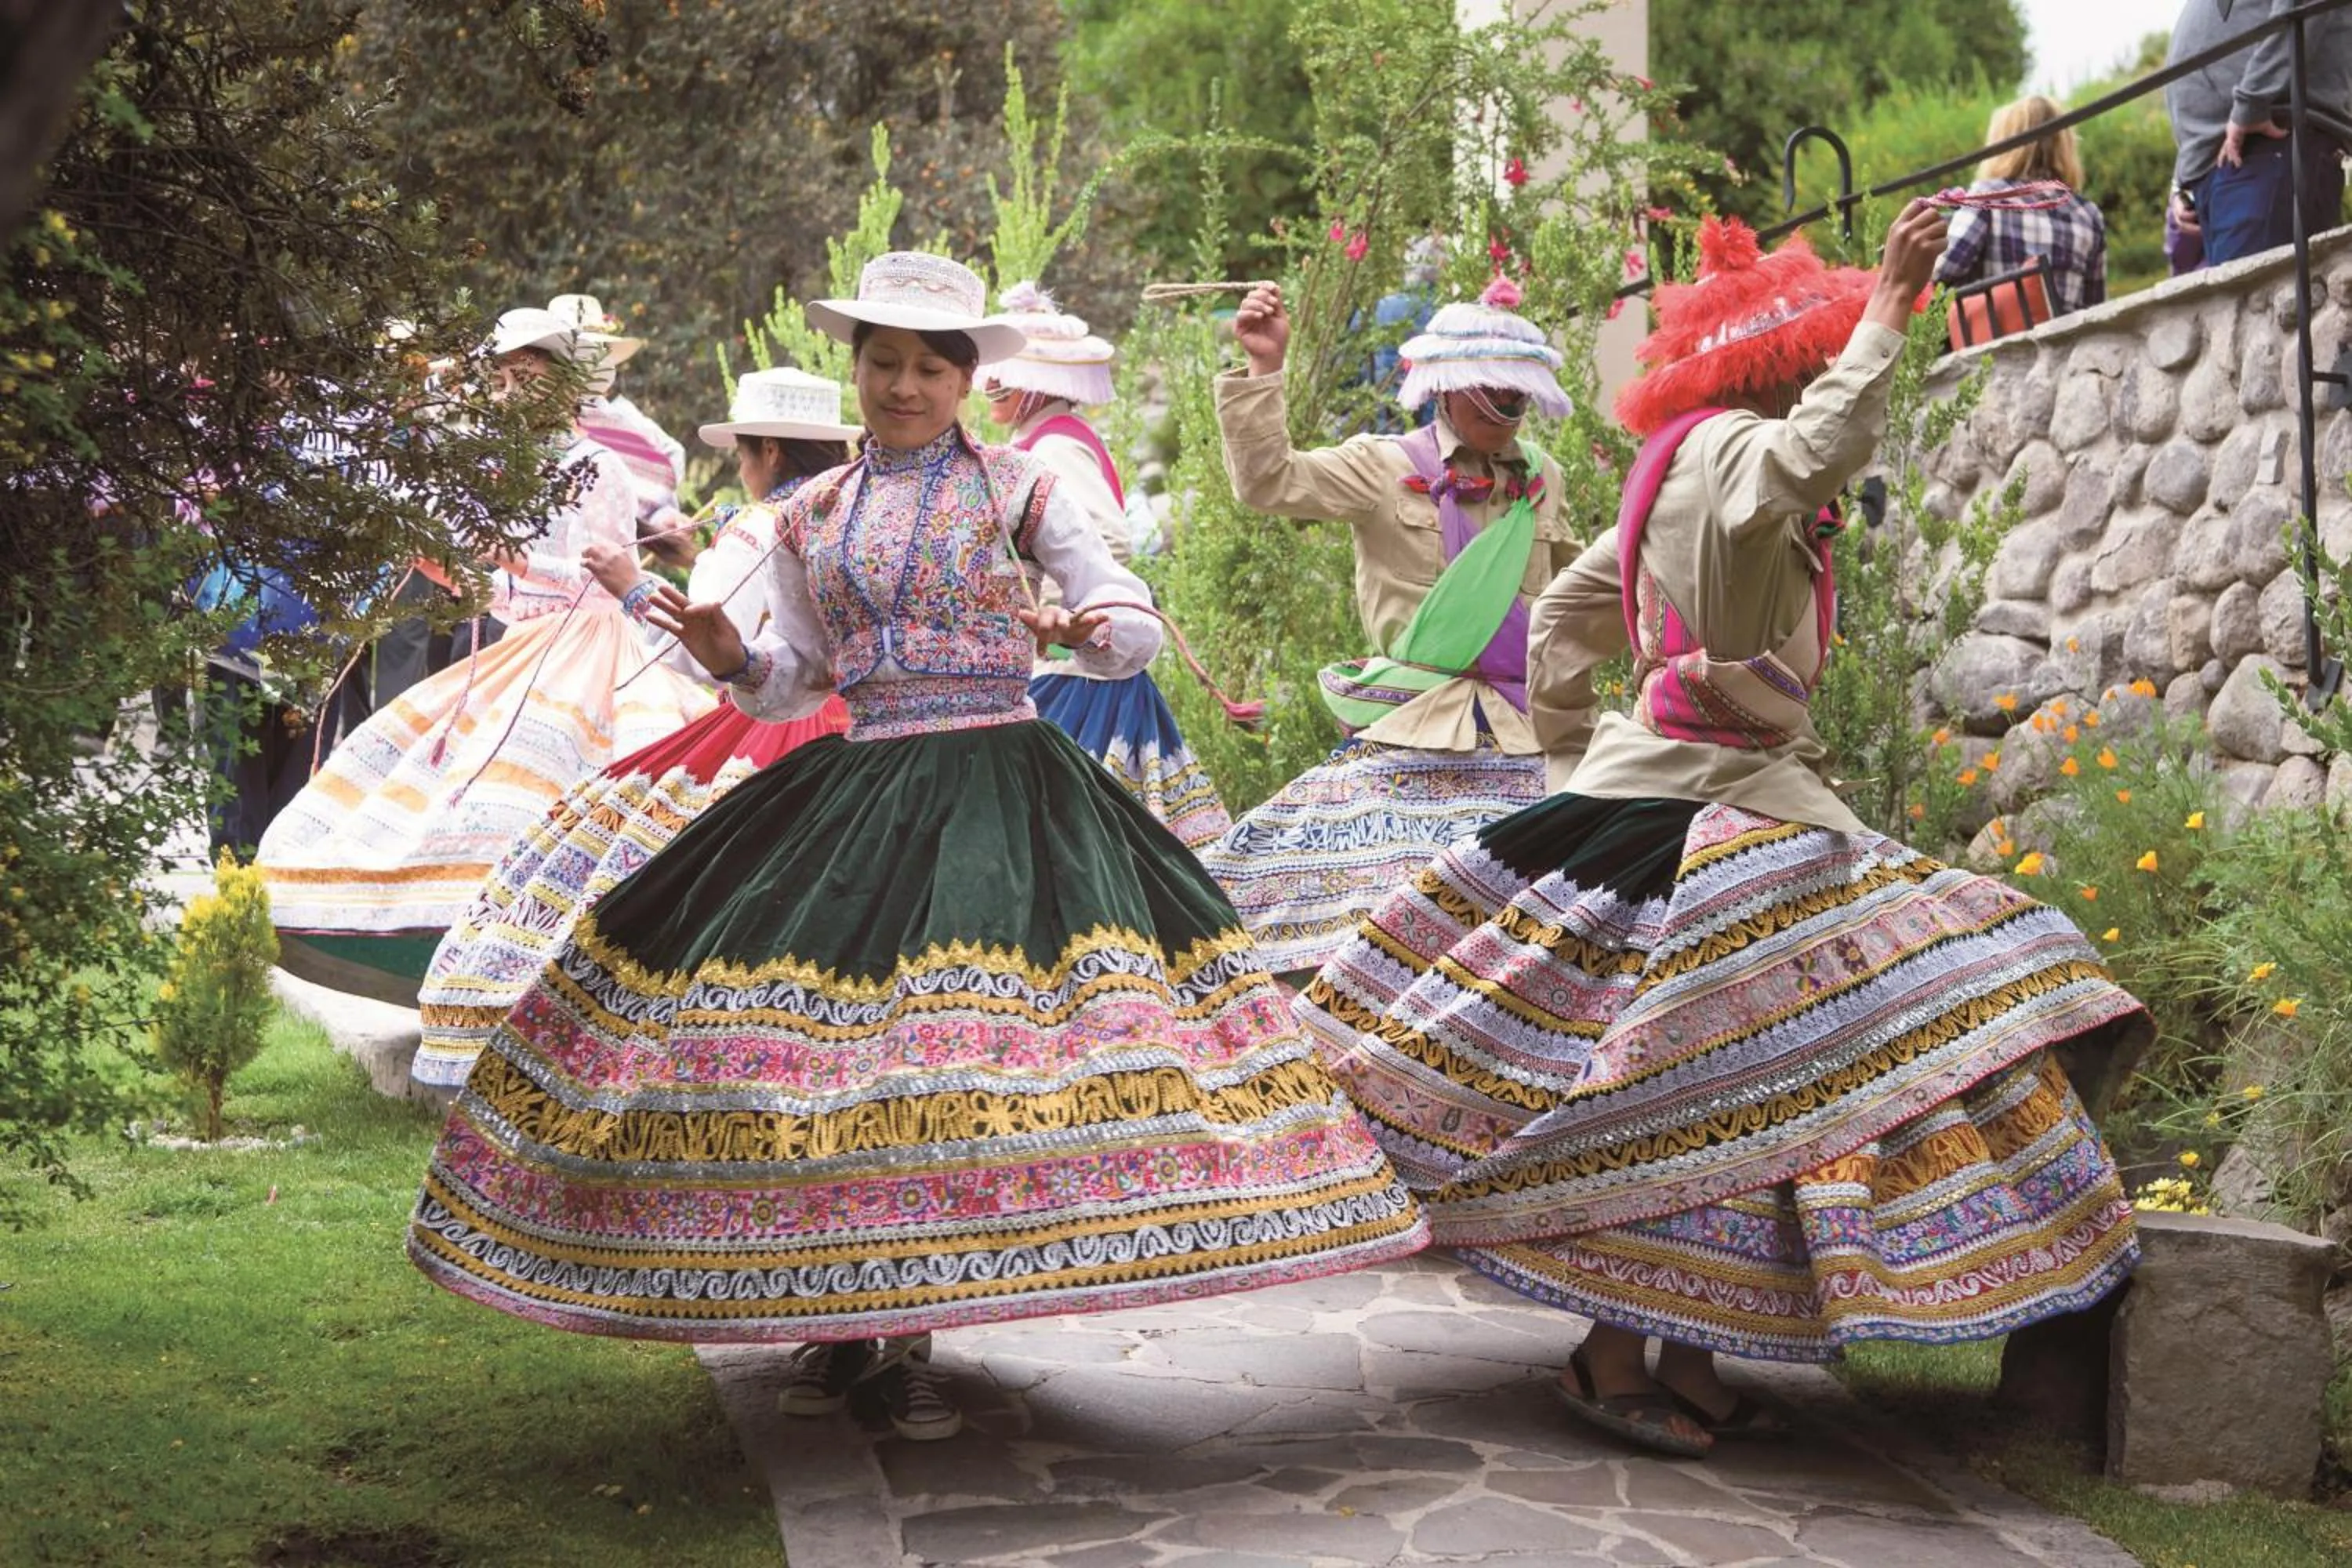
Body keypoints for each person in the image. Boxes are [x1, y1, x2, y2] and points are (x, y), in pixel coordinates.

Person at [405, 253, 1428, 1443]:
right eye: (884, 363)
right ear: (856, 370)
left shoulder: (1022, 486)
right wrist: (731, 656)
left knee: (947, 1074)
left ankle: (909, 1341)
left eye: (930, 369)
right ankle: (843, 1322)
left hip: (1002, 791)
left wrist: (1084, 624)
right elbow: (795, 682)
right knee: (816, 1068)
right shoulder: (812, 513)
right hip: (860, 788)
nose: (904, 386)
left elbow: (1129, 616)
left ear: (966, 379)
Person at [1296, 205, 2148, 1459]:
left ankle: (1685, 1356)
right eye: (1814, 355)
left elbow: (1569, 618)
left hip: (1699, 796)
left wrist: (1579, 759)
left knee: (1732, 1087)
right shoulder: (1738, 451)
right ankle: (1608, 1356)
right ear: (1782, 364)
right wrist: (1890, 309)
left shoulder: (1672, 462)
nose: (1821, 375)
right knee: (1734, 1069)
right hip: (1718, 811)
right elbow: (1813, 455)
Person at [408, 367, 858, 1092]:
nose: (743, 468)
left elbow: (706, 650)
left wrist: (633, 587)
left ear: (769, 451)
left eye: (744, 452)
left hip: (772, 727)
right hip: (867, 729)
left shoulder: (756, 528)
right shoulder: (856, 518)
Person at [256, 307, 714, 1000]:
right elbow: (514, 593)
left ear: (564, 384)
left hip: (588, 660)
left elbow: (603, 583)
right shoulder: (512, 470)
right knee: (442, 790)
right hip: (522, 652)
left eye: (524, 376)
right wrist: (466, 578)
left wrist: (513, 561)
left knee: (528, 804)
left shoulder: (600, 467)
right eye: (502, 378)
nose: (508, 390)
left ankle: (559, 967)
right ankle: (460, 960)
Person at [1197, 274, 1580, 980]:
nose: (1508, 407)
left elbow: (1576, 593)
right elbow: (1267, 481)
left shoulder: (1543, 476)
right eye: (1492, 388)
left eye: (1519, 391)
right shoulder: (1382, 465)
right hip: (1412, 726)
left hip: (1525, 732)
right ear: (1446, 388)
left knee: (1560, 919)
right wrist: (1264, 366)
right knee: (1334, 914)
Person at [981, 279, 1232, 852]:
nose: (990, 386)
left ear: (1041, 383)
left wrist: (1066, 618)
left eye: (1006, 376)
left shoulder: (1055, 449)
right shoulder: (1041, 443)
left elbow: (1108, 543)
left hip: (1081, 677)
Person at [2166, 0, 2352, 267]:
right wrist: (2183, 173)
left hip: (2269, 146)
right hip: (2231, 162)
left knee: (2254, 292)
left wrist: (2253, 101)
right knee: (2243, 292)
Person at [550, 292, 697, 572]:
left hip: (603, 564)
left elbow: (665, 460)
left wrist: (661, 515)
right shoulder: (532, 417)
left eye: (598, 352)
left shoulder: (620, 418)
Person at [1934, 96, 2107, 318]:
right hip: (2070, 339)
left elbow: (1940, 273)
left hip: (2001, 336)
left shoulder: (1988, 197)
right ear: (2064, 144)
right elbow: (2095, 307)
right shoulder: (2088, 215)